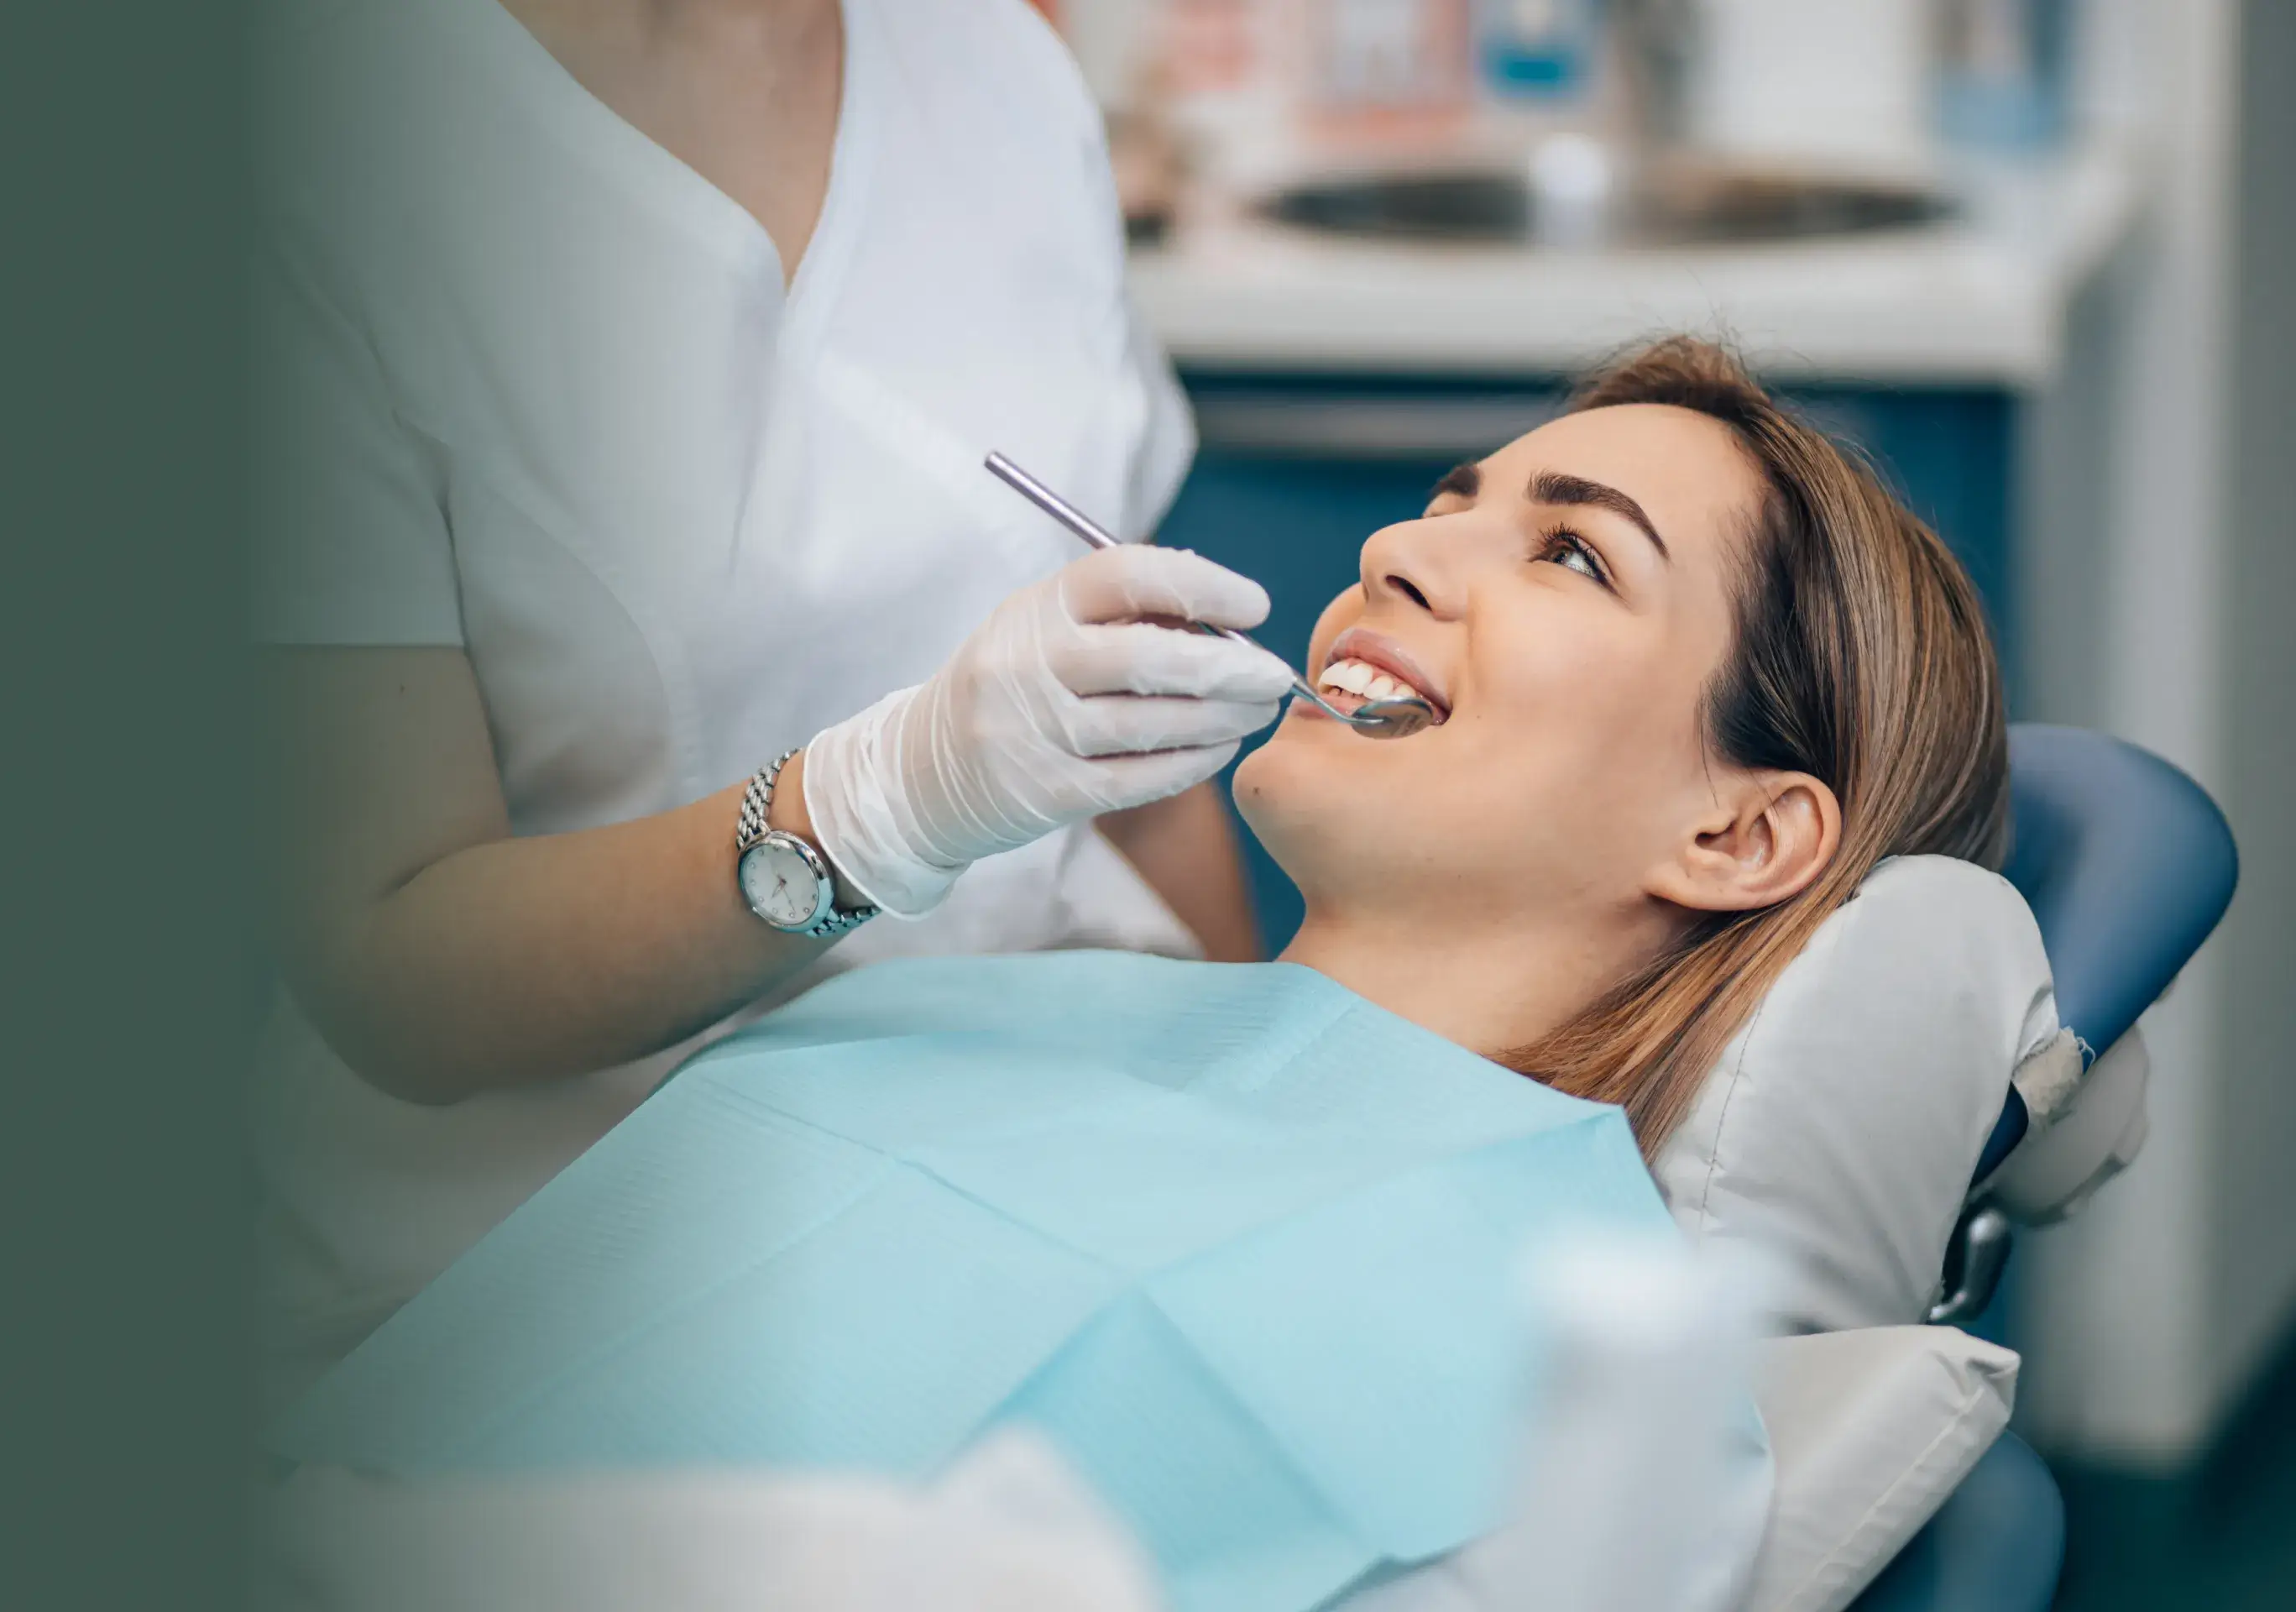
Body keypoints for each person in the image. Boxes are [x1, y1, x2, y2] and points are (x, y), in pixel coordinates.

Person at [269, 338, 2011, 1609]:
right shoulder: (944, 994)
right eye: (1444, 502)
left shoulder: (1595, 1414)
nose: (1402, 555)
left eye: (1572, 553)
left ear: (1739, 837)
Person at [254, 0, 1293, 1400]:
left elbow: (1141, 750)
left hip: (1018, 1212)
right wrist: (868, 814)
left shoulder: (1000, 66)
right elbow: (389, 969)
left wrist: (1259, 1155)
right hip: (548, 1299)